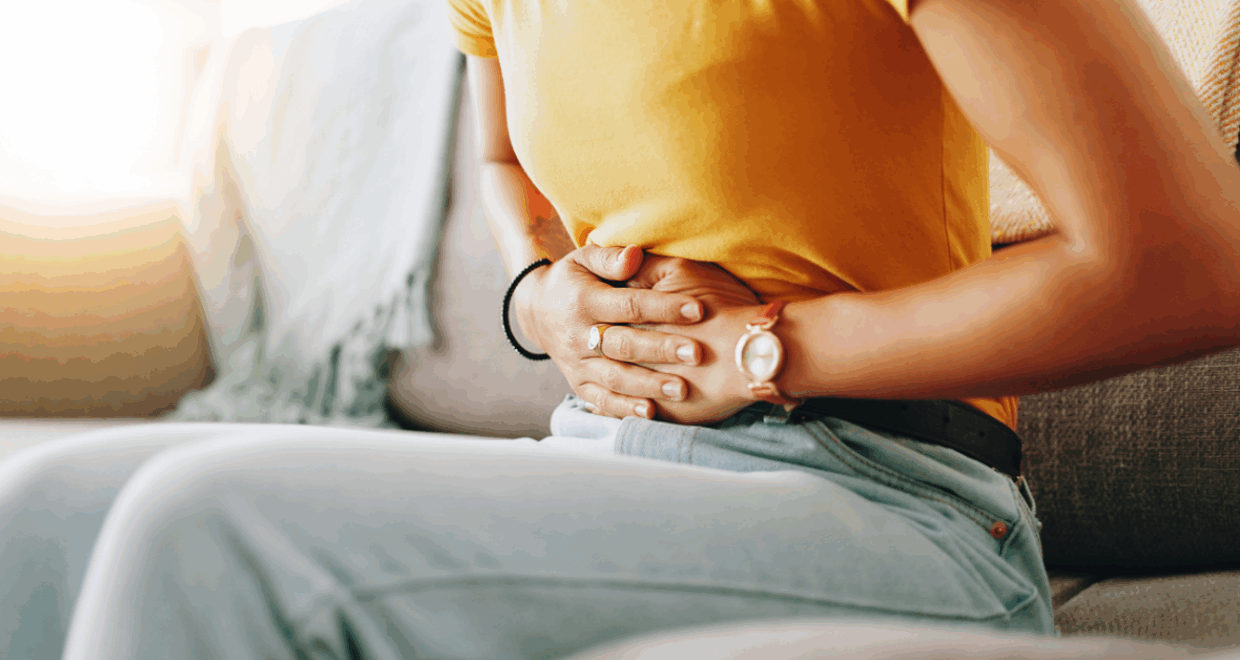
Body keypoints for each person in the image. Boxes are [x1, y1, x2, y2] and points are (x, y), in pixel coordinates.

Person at [12, 0, 1240, 657]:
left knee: (208, 532)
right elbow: (505, 164)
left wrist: (763, 350)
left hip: (894, 500)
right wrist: (540, 295)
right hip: (610, 456)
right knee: (46, 508)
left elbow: (1191, 259)